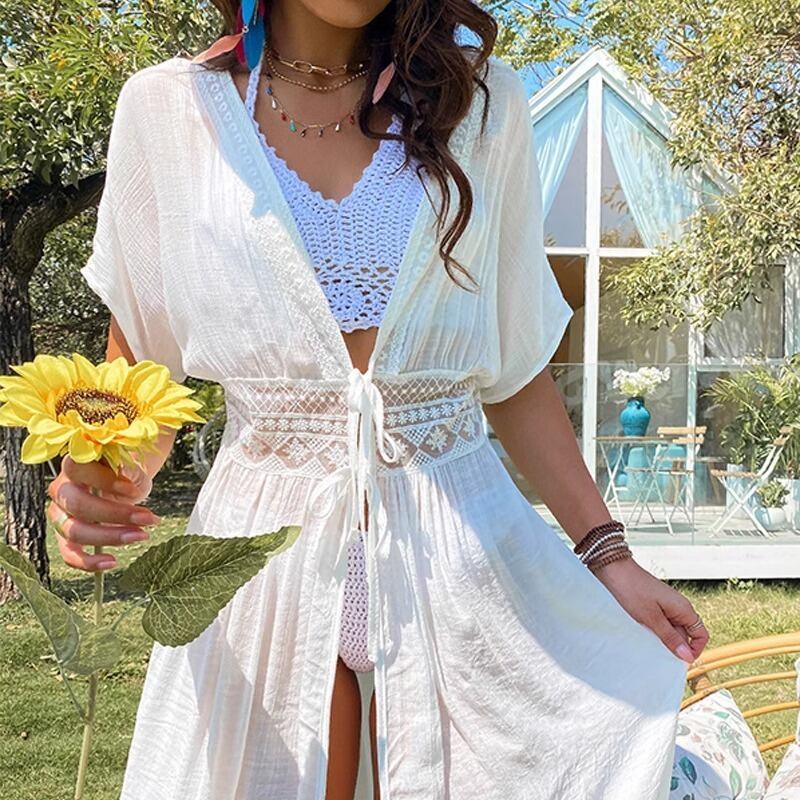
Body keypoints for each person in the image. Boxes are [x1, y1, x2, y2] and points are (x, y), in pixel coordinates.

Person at [45, 1, 709, 798]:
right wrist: (100, 479)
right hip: (259, 572)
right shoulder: (167, 110)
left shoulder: (482, 104)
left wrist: (609, 555)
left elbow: (513, 369)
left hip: (466, 571)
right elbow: (140, 373)